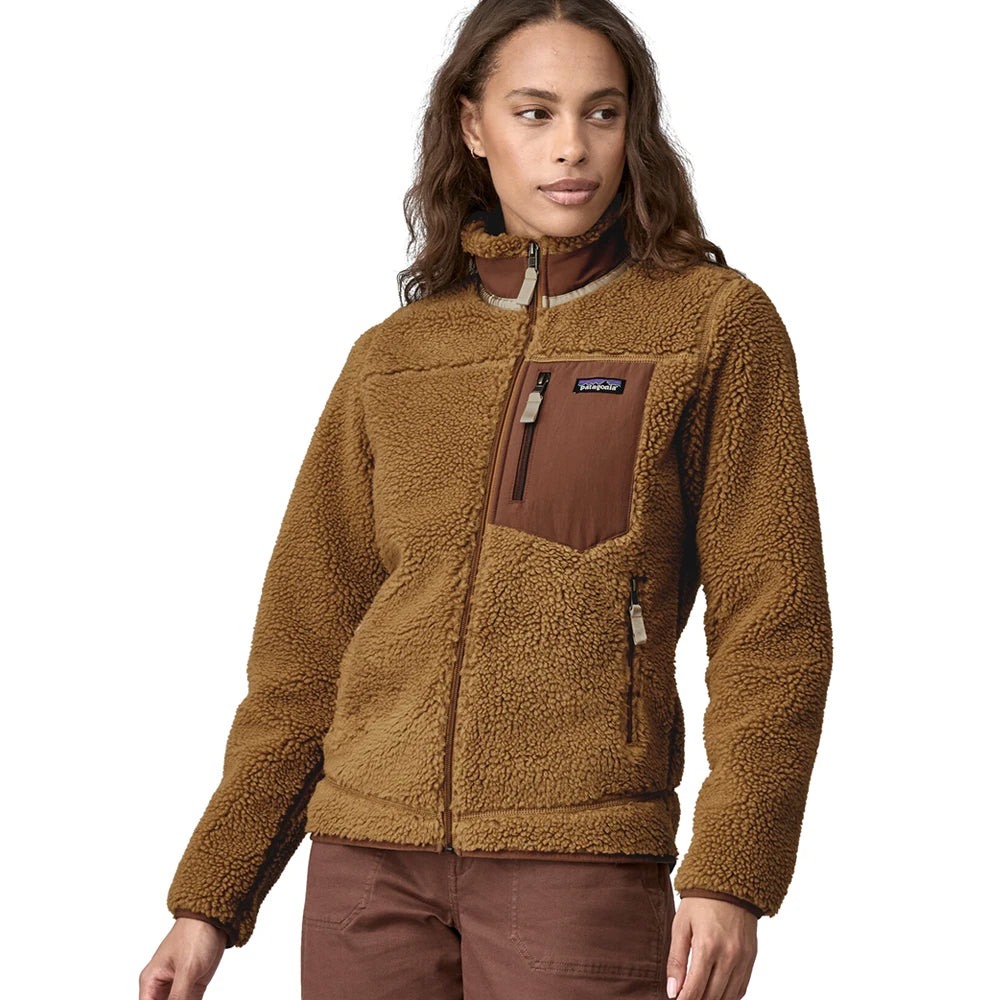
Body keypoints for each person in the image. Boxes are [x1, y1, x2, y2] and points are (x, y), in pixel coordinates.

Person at [139, 1, 833, 998]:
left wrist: (732, 873)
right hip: (365, 870)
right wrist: (209, 900)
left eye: (601, 113)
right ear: (473, 125)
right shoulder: (394, 358)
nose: (571, 147)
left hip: (578, 859)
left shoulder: (713, 326)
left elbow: (776, 622)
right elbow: (304, 648)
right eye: (534, 112)